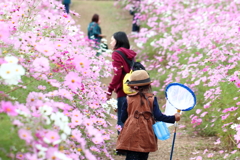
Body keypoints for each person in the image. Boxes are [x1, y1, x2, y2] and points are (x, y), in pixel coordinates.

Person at [116, 70, 181, 160]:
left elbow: (123, 118)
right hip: (146, 133)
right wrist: (174, 118)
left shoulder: (128, 99)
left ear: (134, 87)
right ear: (148, 85)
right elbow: (158, 116)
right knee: (143, 156)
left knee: (131, 156)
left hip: (130, 133)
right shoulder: (152, 99)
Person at [106, 31, 136, 144]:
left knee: (122, 118)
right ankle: (132, 143)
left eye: (112, 39)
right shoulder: (130, 53)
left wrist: (109, 90)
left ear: (118, 41)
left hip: (123, 90)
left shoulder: (117, 53)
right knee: (131, 118)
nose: (111, 42)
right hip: (133, 89)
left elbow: (117, 74)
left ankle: (123, 146)